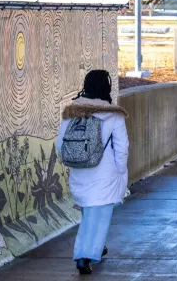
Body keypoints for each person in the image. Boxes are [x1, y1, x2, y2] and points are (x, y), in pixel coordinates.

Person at [56, 70, 129, 275]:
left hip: (79, 171)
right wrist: (120, 171)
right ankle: (84, 256)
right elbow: (122, 148)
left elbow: (60, 143)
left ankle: (97, 246)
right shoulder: (113, 114)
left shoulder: (72, 111)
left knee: (89, 212)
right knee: (100, 215)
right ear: (106, 88)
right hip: (104, 172)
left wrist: (76, 160)